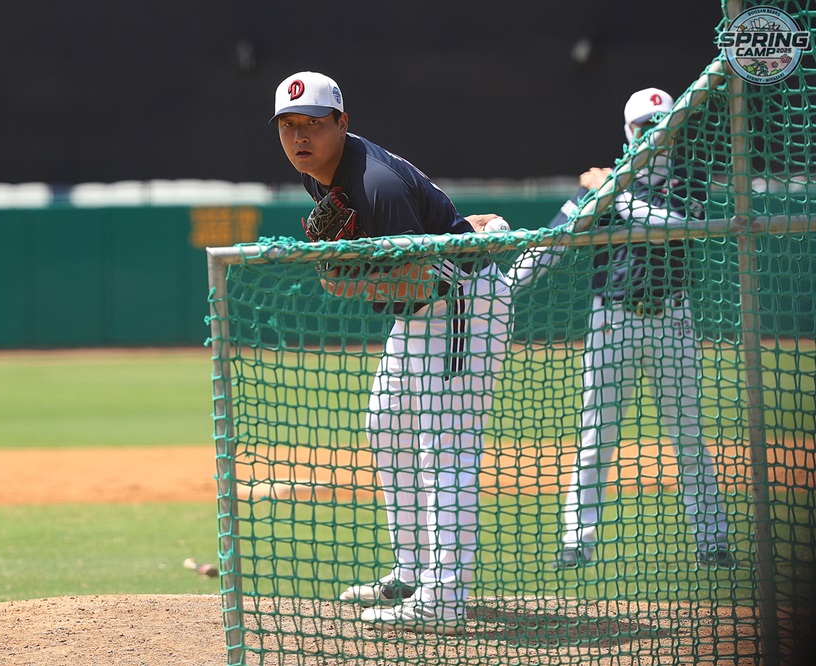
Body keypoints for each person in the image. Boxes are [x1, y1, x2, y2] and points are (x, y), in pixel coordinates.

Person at [270, 71, 512, 634]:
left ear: (342, 123)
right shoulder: (320, 176)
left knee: (446, 448)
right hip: (428, 310)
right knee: (387, 423)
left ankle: (445, 598)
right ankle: (413, 570)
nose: (299, 137)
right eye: (288, 126)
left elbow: (419, 284)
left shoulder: (372, 182)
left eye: (312, 125)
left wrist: (341, 281)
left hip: (460, 306)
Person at [500, 87, 735, 571]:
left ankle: (712, 542)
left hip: (672, 318)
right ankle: (575, 541)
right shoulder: (599, 186)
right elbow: (554, 241)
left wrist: (614, 191)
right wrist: (502, 290)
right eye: (644, 127)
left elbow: (666, 226)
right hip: (613, 320)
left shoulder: (686, 178)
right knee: (597, 435)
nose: (653, 135)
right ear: (627, 131)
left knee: (688, 435)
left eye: (661, 124)